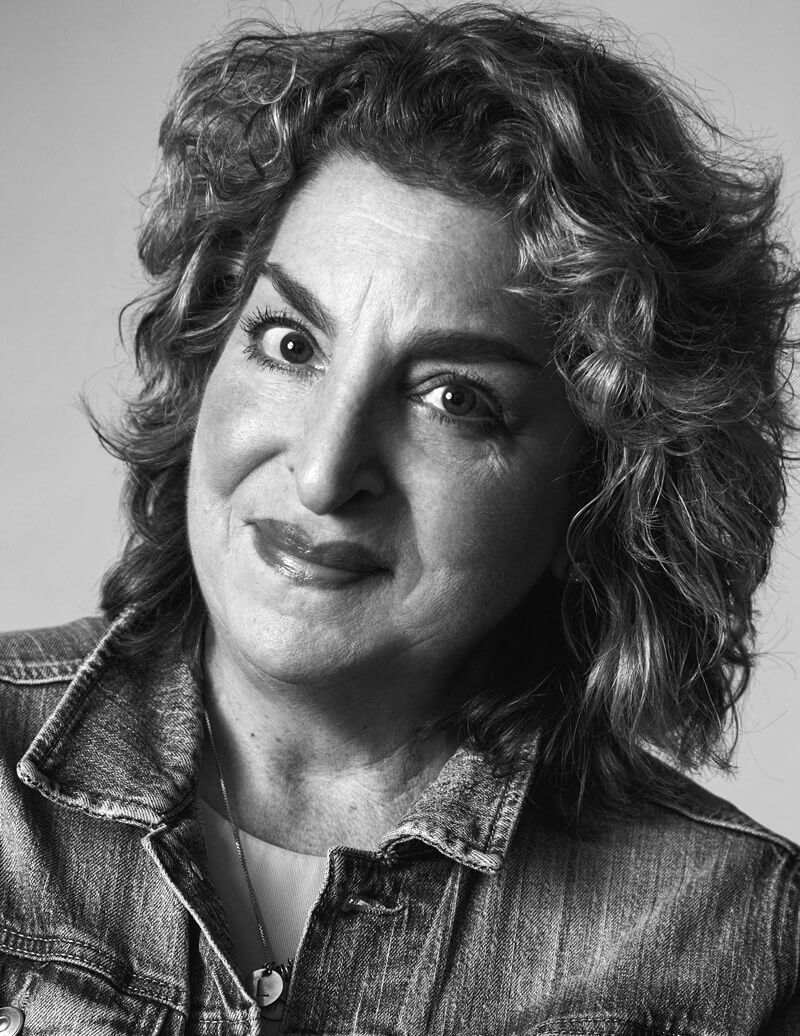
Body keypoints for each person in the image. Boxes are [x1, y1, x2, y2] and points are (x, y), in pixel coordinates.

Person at [1, 4, 798, 1033]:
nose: (326, 471)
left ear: (603, 488)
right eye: (290, 343)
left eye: (452, 399)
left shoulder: (732, 938)